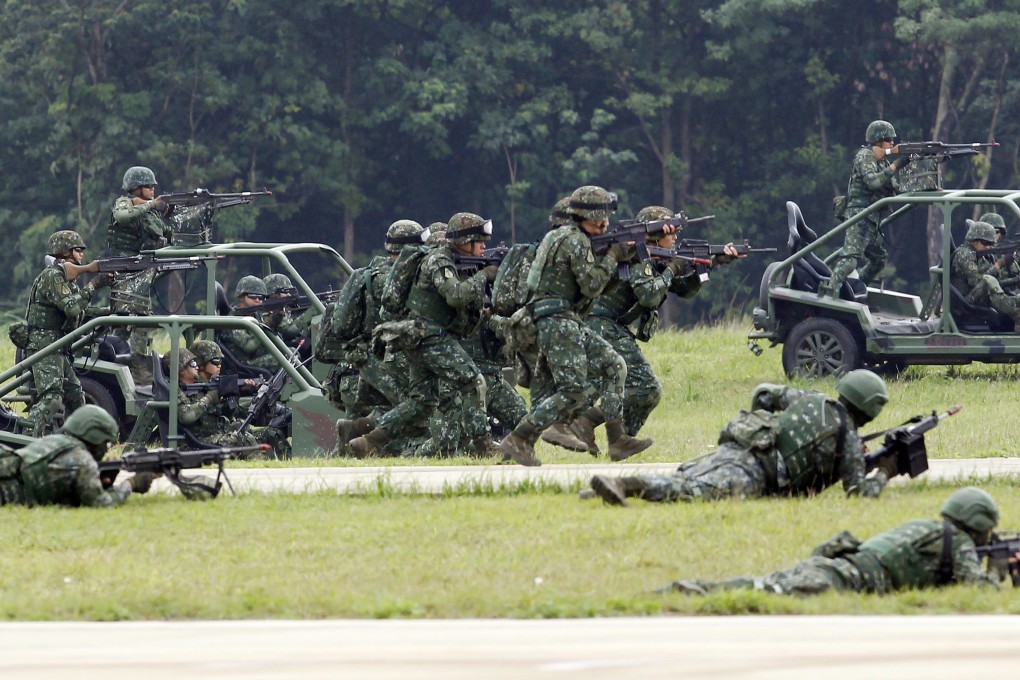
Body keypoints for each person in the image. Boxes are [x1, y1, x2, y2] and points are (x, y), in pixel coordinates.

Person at [497, 185, 652, 467]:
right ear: (582, 217)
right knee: (572, 390)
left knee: (615, 365)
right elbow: (592, 286)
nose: (604, 225)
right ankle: (520, 438)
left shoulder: (565, 237)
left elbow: (598, 286)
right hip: (556, 321)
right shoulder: (574, 241)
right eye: (599, 222)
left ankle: (617, 440)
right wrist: (614, 256)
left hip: (566, 319)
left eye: (606, 221)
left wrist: (621, 258)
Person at [570, 205, 741, 451]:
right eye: (670, 231)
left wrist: (713, 263)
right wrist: (672, 269)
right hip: (602, 325)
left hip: (608, 326)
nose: (675, 237)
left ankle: (618, 439)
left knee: (637, 390)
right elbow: (650, 296)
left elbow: (684, 290)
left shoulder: (656, 259)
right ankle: (588, 423)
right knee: (647, 388)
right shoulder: (640, 257)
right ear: (655, 234)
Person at [588, 369, 893, 506]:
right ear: (869, 409)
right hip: (756, 471)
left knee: (694, 475)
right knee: (698, 492)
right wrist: (884, 472)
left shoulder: (812, 398)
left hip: (743, 446)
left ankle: (606, 491)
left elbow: (763, 394)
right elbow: (860, 493)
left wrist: (766, 425)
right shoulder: (848, 439)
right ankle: (628, 485)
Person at [662, 487, 1015, 596]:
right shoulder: (959, 544)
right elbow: (977, 588)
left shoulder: (927, 526)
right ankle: (690, 591)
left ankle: (691, 590)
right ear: (980, 523)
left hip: (838, 565)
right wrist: (1001, 573)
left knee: (768, 584)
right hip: (848, 578)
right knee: (770, 591)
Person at [349, 213, 496, 458]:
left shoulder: (450, 261)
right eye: (479, 241)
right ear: (465, 240)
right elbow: (456, 295)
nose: (484, 246)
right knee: (474, 383)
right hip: (429, 337)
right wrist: (484, 275)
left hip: (419, 337)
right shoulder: (439, 260)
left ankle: (369, 442)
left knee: (422, 402)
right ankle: (483, 445)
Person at [22, 230, 110, 437]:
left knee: (75, 395)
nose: (82, 255)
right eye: (78, 250)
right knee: (52, 398)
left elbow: (80, 310)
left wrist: (108, 313)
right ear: (64, 252)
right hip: (44, 345)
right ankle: (23, 440)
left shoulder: (65, 279)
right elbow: (71, 308)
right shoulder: (52, 276)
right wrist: (94, 285)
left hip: (56, 345)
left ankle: (75, 440)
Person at [821, 120, 911, 297]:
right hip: (859, 215)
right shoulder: (865, 156)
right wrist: (896, 165)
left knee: (878, 260)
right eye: (888, 139)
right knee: (849, 261)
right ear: (878, 141)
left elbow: (897, 188)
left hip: (871, 218)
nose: (892, 143)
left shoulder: (883, 161)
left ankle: (855, 288)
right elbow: (874, 183)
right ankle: (828, 294)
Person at [0, 405, 153, 507]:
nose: (106, 448)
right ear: (95, 437)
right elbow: (103, 504)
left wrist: (102, 481)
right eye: (105, 442)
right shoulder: (82, 460)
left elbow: (64, 490)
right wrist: (132, 484)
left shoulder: (55, 441)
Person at [108, 166, 173, 383]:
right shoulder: (125, 202)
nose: (153, 189)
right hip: (126, 271)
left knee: (129, 326)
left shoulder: (148, 209)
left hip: (140, 271)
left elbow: (165, 235)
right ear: (135, 188)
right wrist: (151, 205)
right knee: (136, 322)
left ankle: (112, 360)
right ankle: (136, 369)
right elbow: (122, 217)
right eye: (148, 186)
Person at [168, 348, 287, 459]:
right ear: (182, 369)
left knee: (272, 433)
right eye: (192, 364)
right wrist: (210, 397)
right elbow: (185, 416)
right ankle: (264, 465)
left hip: (219, 432)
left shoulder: (202, 386)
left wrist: (236, 393)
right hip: (199, 440)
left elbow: (225, 412)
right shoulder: (176, 390)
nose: (197, 366)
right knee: (243, 439)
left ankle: (290, 461)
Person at [949, 220, 1020, 327]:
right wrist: (998, 265)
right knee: (987, 280)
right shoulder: (964, 254)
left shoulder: (978, 254)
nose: (988, 247)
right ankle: (1017, 316)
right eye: (986, 243)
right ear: (975, 241)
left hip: (977, 296)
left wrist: (1013, 280)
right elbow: (978, 281)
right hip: (967, 302)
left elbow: (994, 282)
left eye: (990, 244)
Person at [218, 275, 281, 370]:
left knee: (292, 352)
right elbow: (249, 346)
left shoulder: (256, 315)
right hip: (244, 365)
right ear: (241, 297)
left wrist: (276, 320)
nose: (257, 300)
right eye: (253, 296)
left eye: (261, 298)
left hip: (257, 358)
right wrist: (269, 323)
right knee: (287, 356)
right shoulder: (233, 320)